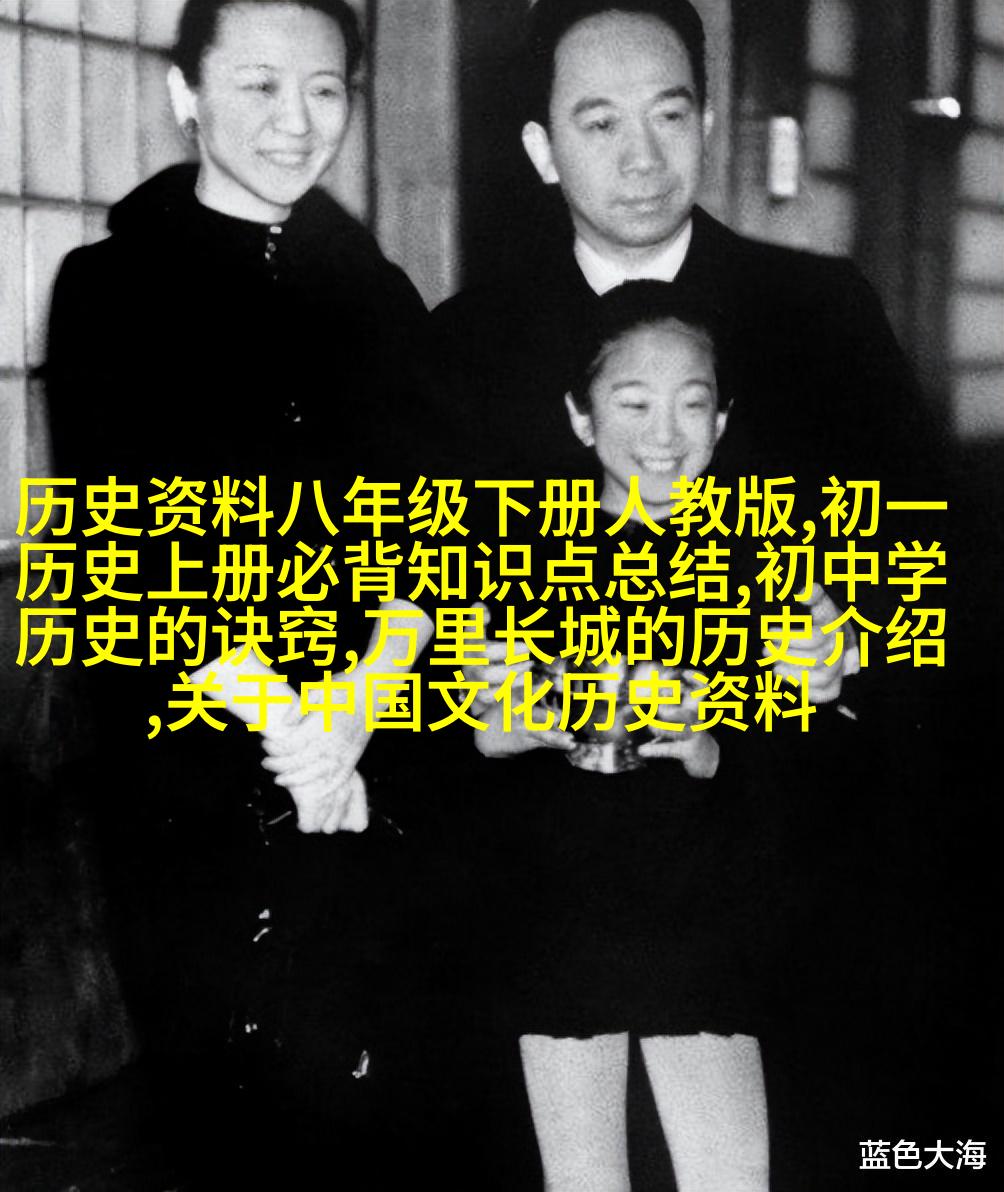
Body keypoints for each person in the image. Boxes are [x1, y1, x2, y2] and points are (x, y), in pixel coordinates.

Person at [428, 1, 946, 1186]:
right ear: (540, 148)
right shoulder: (468, 341)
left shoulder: (819, 312)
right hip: (548, 858)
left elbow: (926, 541)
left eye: (667, 115)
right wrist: (468, 670)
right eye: (597, 122)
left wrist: (853, 635)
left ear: (707, 121)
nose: (640, 156)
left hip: (772, 840)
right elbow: (417, 564)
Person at [44, 0, 435, 1182]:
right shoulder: (109, 285)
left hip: (366, 747)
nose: (296, 120)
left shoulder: (380, 295)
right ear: (188, 93)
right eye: (258, 85)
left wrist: (356, 707)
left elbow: (424, 534)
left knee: (362, 1107)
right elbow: (129, 540)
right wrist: (291, 730)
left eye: (325, 88)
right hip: (194, 748)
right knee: (220, 1115)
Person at [471, 282, 778, 1191]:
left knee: (732, 1178)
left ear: (722, 420)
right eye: (634, 404)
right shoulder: (521, 553)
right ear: (581, 416)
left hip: (703, 900)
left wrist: (707, 744)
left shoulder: (758, 556)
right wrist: (525, 724)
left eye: (692, 404)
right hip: (561, 901)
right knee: (583, 1180)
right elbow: (478, 733)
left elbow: (797, 748)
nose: (665, 435)